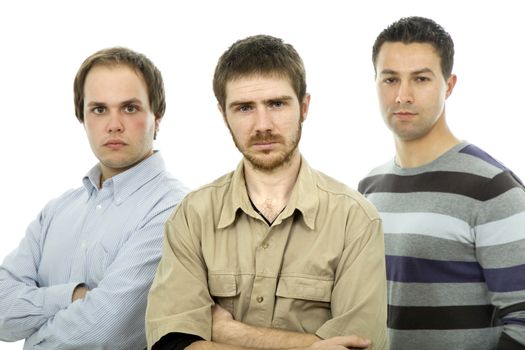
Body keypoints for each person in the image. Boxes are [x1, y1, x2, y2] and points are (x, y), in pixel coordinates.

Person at [146, 35, 388, 350]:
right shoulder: (192, 216)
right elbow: (171, 343)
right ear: (223, 116)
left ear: (304, 107)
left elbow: (358, 347)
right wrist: (309, 346)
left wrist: (232, 333)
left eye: (276, 104)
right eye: (245, 107)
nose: (263, 125)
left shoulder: (355, 220)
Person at [0, 47, 188, 349]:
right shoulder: (57, 211)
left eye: (130, 108)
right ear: (82, 117)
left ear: (158, 117)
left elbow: (104, 332)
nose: (113, 124)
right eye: (99, 109)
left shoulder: (176, 209)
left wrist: (33, 337)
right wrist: (73, 296)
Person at [358, 16, 525, 349]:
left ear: (448, 85)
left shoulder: (493, 189)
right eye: (390, 79)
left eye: (420, 79)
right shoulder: (368, 189)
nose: (402, 95)